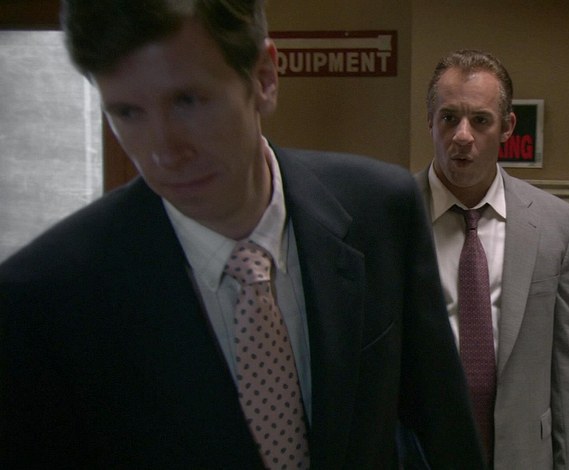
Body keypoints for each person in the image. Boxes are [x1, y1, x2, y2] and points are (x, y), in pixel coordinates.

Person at [0, 1, 485, 468]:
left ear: (264, 77)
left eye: (187, 101)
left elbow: (443, 435)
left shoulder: (381, 212)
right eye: (127, 112)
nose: (164, 151)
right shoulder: (46, 296)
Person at [412, 49, 569, 469]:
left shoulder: (556, 224)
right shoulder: (389, 218)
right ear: (430, 122)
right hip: (421, 452)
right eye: (449, 118)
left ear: (507, 127)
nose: (463, 136)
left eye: (480, 120)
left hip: (521, 453)